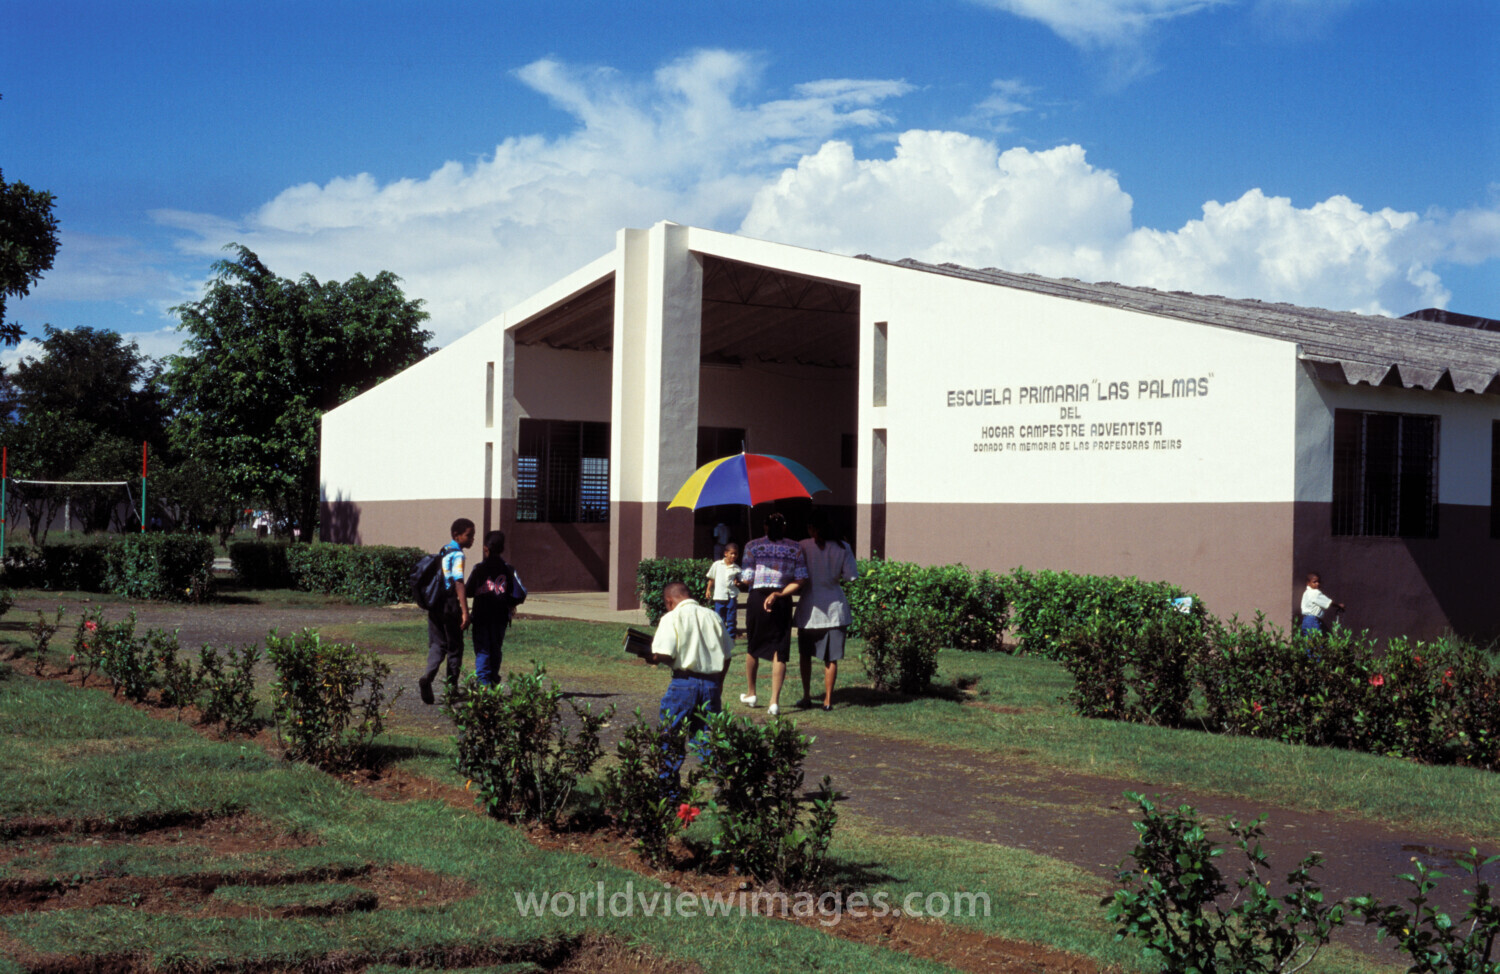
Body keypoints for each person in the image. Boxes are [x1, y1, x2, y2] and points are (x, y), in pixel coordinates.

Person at [651, 580, 732, 783]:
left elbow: (666, 653)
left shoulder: (672, 617)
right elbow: (727, 654)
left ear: (669, 601)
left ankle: (668, 788)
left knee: (671, 735)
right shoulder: (713, 616)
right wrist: (719, 682)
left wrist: (653, 657)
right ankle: (724, 781)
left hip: (683, 683)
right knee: (708, 736)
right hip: (711, 683)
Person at [738, 511, 807, 717]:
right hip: (782, 598)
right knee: (780, 649)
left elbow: (748, 578)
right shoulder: (795, 547)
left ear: (765, 527)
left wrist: (741, 577)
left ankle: (751, 693)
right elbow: (801, 578)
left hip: (758, 598)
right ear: (784, 527)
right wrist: (779, 593)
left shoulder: (752, 545)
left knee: (753, 645)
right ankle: (774, 702)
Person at [794, 513, 857, 711]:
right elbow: (850, 576)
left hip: (810, 607)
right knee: (831, 657)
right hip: (834, 608)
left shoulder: (803, 545)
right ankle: (828, 700)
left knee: (805, 654)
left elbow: (797, 573)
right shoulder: (843, 547)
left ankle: (806, 696)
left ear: (813, 528)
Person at [418, 518, 474, 704]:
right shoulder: (458, 555)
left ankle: (428, 675)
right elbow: (458, 581)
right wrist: (465, 611)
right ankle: (452, 690)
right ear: (456, 536)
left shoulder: (443, 551)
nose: (472, 538)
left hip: (435, 604)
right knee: (455, 647)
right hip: (449, 605)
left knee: (437, 644)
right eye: (469, 535)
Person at [467, 530, 526, 686]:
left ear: (486, 548)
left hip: (481, 617)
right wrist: (509, 602)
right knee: (495, 649)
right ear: (502, 549)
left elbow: (468, 591)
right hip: (499, 618)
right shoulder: (508, 569)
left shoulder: (479, 569)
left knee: (482, 650)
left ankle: (484, 683)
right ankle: (493, 680)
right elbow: (521, 593)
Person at [704, 543, 740, 640]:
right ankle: (719, 638)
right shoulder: (717, 565)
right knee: (719, 619)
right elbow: (711, 579)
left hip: (731, 596)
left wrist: (738, 583)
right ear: (725, 553)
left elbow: (740, 581)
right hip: (719, 596)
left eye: (735, 554)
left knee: (731, 619)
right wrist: (708, 590)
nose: (733, 556)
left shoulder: (736, 568)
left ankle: (731, 639)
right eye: (731, 553)